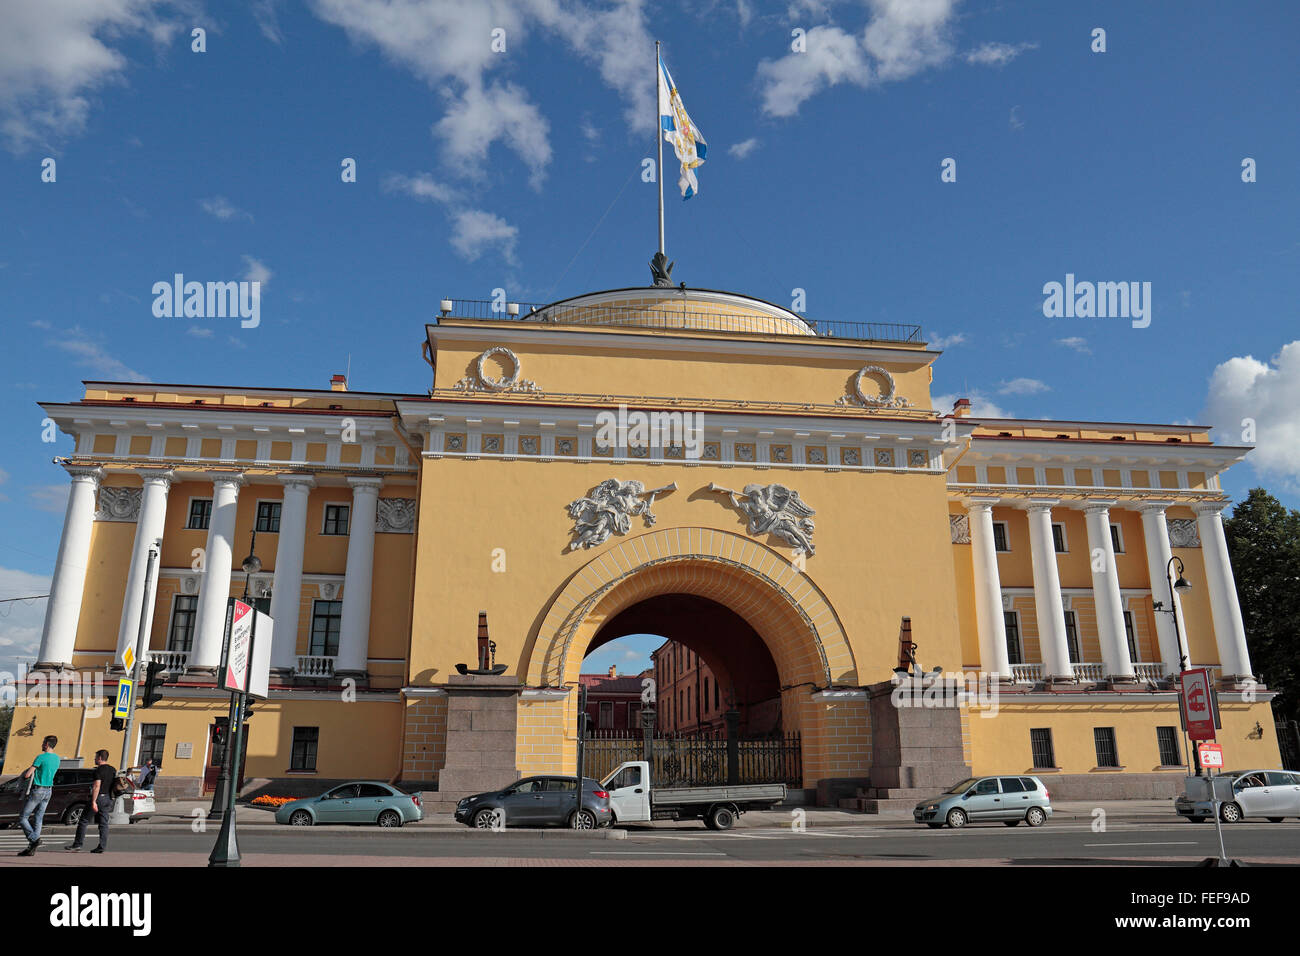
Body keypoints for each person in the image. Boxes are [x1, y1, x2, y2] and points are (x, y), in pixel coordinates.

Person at [17, 735, 60, 856]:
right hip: (49, 791)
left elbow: (27, 775)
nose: (42, 745)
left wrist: (27, 772)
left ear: (46, 744)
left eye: (43, 743)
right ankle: (32, 847)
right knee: (38, 818)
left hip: (38, 790)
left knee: (23, 817)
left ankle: (34, 839)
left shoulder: (41, 757)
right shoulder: (57, 758)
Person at [66, 749, 116, 854]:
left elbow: (96, 786)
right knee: (103, 823)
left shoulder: (98, 770)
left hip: (98, 798)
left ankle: (77, 845)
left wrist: (93, 801)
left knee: (84, 821)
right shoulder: (112, 769)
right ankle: (102, 846)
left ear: (100, 758)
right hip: (107, 798)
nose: (94, 759)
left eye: (96, 757)